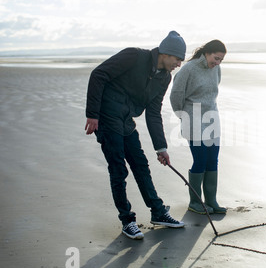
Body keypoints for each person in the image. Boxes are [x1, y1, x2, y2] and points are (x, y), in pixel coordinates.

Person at [85, 31, 186, 240]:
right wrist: (92, 114)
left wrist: (161, 148)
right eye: (177, 59)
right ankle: (127, 221)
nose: (178, 64)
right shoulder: (134, 56)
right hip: (106, 118)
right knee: (118, 170)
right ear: (166, 53)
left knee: (140, 165)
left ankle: (158, 212)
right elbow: (98, 74)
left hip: (126, 122)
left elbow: (153, 112)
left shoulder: (164, 78)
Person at [170, 40, 227, 215]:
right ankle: (195, 202)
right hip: (192, 118)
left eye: (221, 60)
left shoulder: (216, 69)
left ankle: (211, 201)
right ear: (207, 53)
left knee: (212, 160)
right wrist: (184, 117)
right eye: (216, 58)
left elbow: (213, 91)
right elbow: (175, 96)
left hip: (212, 118)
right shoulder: (189, 69)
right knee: (200, 160)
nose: (217, 63)